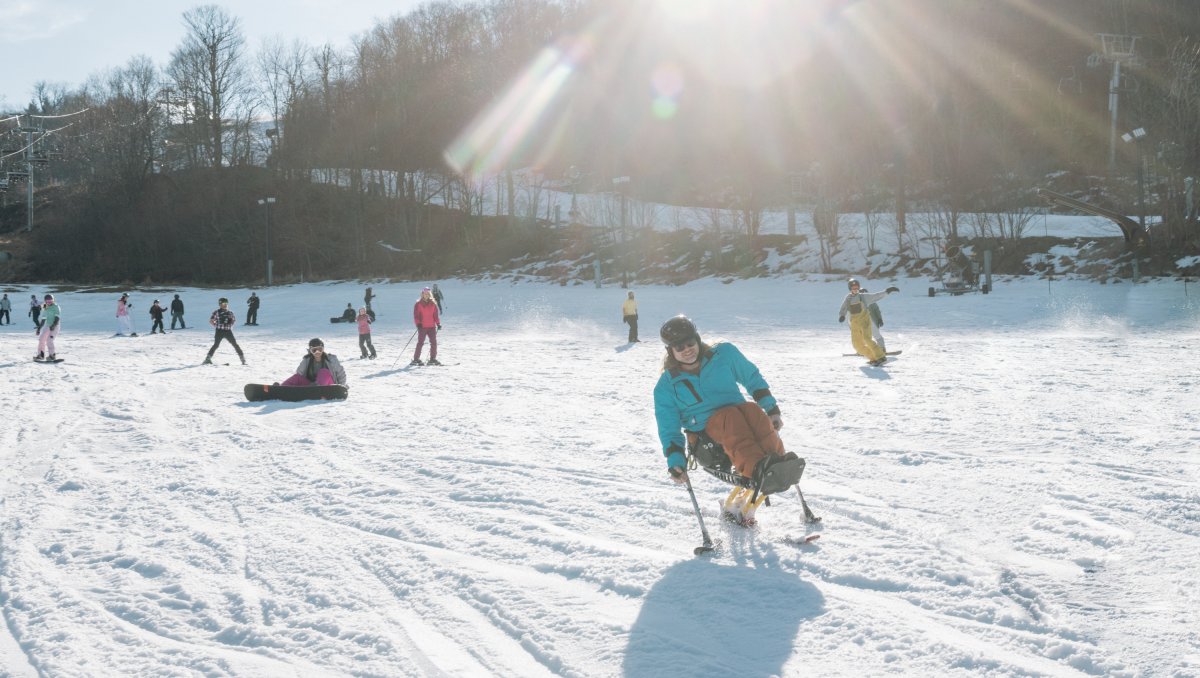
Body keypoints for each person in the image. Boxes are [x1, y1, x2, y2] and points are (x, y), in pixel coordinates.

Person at [653, 315, 801, 509]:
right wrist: (675, 461)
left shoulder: (723, 354)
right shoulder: (666, 386)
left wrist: (771, 409)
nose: (687, 350)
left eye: (690, 343)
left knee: (753, 411)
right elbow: (668, 428)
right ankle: (757, 469)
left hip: (739, 418)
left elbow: (751, 377)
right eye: (679, 347)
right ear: (671, 351)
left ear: (697, 339)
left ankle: (777, 462)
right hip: (706, 442)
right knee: (730, 418)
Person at [838, 278, 899, 366]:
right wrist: (842, 315)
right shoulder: (848, 298)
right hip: (855, 324)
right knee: (857, 345)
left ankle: (881, 357)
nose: (855, 289)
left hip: (864, 321)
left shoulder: (863, 297)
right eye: (853, 288)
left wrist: (887, 291)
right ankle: (873, 358)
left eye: (856, 288)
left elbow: (876, 296)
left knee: (867, 339)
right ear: (850, 289)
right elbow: (843, 308)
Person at [279, 338, 347, 387]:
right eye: (314, 350)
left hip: (329, 387)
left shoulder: (331, 359)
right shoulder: (307, 360)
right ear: (310, 351)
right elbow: (299, 374)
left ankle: (317, 387)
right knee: (296, 377)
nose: (317, 352)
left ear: (323, 349)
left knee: (324, 371)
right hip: (310, 387)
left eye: (320, 349)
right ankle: (281, 388)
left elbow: (341, 373)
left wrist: (341, 387)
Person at [203, 297, 246, 365]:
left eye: (226, 303)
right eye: (223, 303)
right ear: (220, 304)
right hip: (219, 331)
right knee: (216, 345)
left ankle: (243, 360)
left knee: (235, 345)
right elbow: (211, 321)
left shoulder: (230, 312)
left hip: (228, 331)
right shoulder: (216, 312)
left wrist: (229, 323)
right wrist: (217, 325)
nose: (225, 305)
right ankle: (207, 359)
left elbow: (233, 320)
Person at [411, 286, 441, 366]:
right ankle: (416, 359)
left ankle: (432, 359)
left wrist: (438, 323)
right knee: (420, 343)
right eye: (425, 294)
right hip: (422, 326)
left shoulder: (433, 304)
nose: (426, 295)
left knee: (434, 343)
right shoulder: (418, 304)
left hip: (431, 326)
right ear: (422, 294)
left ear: (429, 294)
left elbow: (435, 315)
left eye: (428, 294)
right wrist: (418, 323)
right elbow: (416, 316)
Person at [858, 287, 887, 352]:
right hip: (863, 323)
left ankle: (882, 348)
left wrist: (880, 319)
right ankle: (862, 350)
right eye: (861, 293)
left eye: (865, 293)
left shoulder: (872, 302)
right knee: (863, 337)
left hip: (872, 322)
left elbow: (877, 310)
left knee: (876, 335)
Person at [35, 294, 60, 360]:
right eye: (47, 301)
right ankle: (41, 355)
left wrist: (53, 325)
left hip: (55, 325)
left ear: (53, 300)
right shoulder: (45, 306)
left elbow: (57, 318)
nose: (49, 303)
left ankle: (52, 355)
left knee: (49, 340)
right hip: (47, 325)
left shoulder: (56, 307)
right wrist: (39, 328)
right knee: (41, 339)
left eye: (51, 301)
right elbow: (43, 318)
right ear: (45, 301)